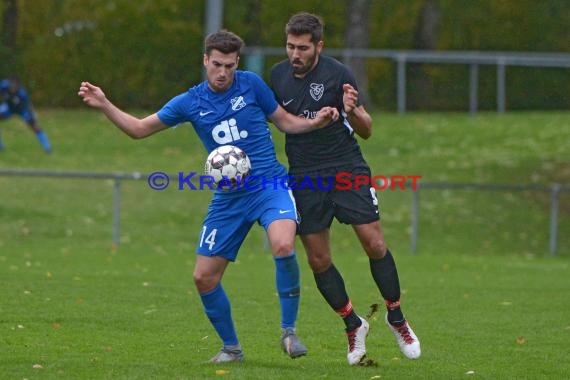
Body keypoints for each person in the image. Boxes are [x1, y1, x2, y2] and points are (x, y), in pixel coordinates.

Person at [78, 30, 338, 363]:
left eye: (229, 66)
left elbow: (286, 122)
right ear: (205, 61)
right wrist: (104, 104)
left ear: (237, 63)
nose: (223, 73)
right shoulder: (190, 102)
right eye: (217, 64)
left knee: (284, 244)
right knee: (203, 277)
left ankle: (289, 332)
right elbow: (139, 129)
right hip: (229, 199)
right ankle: (231, 348)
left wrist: (316, 122)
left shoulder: (252, 85)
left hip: (269, 186)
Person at [270, 12, 421, 365]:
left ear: (318, 46)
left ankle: (396, 317)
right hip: (305, 175)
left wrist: (352, 112)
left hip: (345, 168)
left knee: (375, 243)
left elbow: (367, 129)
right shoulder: (277, 76)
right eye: (290, 46)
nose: (295, 54)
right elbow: (275, 120)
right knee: (319, 259)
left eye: (303, 47)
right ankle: (353, 325)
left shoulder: (339, 75)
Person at [0, 76, 52, 153]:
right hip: (9, 108)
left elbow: (28, 105)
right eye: (11, 86)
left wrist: (33, 113)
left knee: (34, 126)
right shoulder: (3, 86)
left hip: (22, 110)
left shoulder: (22, 94)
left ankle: (47, 147)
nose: (13, 88)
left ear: (18, 86)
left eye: (15, 87)